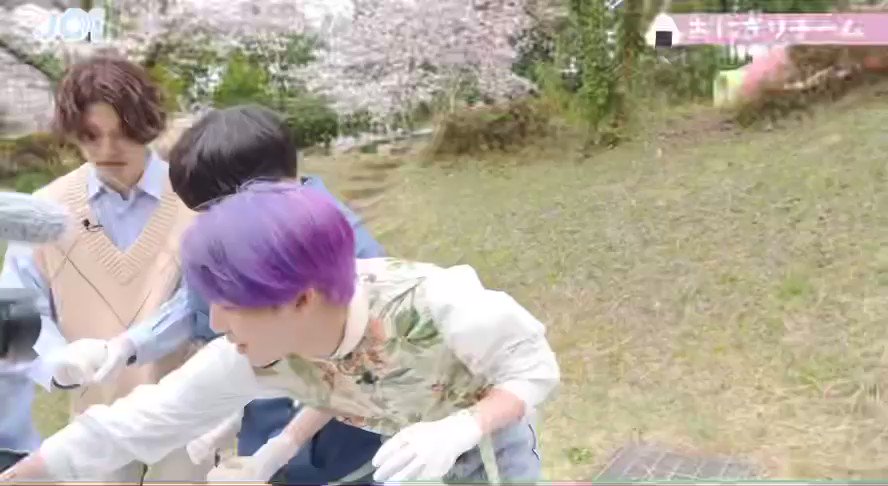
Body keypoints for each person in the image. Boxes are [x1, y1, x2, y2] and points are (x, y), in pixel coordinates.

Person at [0, 182, 559, 484]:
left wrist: (462, 427)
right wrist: (25, 476)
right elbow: (139, 421)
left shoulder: (440, 303)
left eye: (231, 306)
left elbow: (534, 370)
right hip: (408, 459)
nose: (218, 325)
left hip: (492, 451)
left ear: (301, 298)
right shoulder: (257, 353)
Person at [45, 104, 386, 484]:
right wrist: (126, 346)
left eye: (214, 210)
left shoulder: (354, 255)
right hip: (264, 434)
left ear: (257, 191)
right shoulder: (239, 233)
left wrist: (285, 444)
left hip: (346, 455)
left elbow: (358, 369)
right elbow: (194, 305)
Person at [0, 54, 211, 483]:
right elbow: (19, 314)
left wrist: (134, 346)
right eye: (91, 136)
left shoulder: (198, 200)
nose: (108, 151)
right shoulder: (44, 212)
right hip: (94, 424)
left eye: (124, 133)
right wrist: (56, 362)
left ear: (149, 124)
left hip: (186, 420)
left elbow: (207, 304)